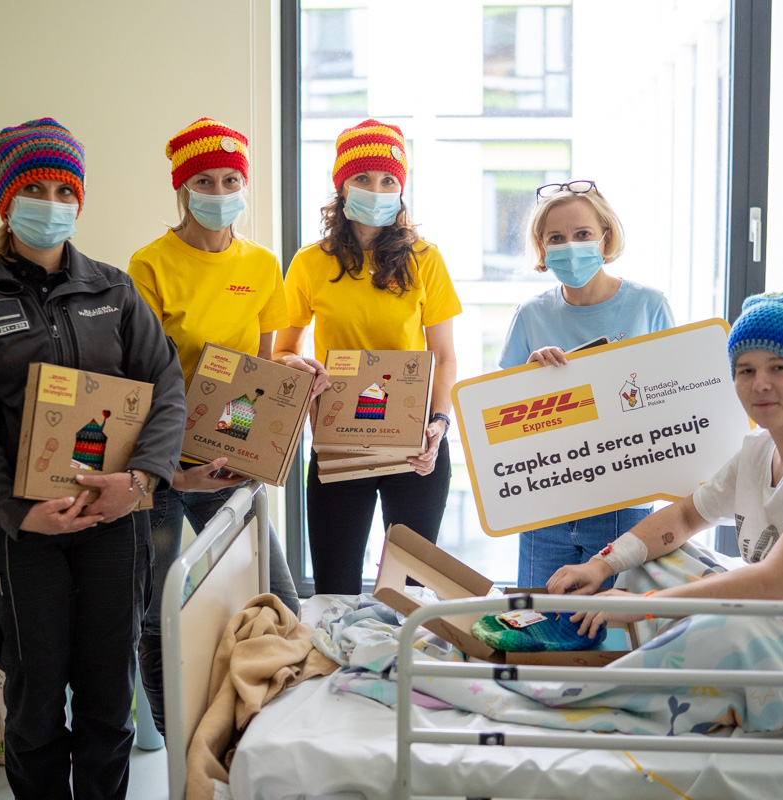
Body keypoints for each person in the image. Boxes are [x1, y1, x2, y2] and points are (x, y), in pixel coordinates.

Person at [0, 118, 187, 798]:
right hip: (22, 532)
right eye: (34, 188)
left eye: (62, 189)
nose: (50, 202)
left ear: (79, 200)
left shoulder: (113, 290)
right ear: (6, 201)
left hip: (113, 520)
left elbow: (166, 387)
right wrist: (20, 510)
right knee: (37, 697)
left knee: (108, 695)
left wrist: (138, 481)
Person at [543, 291, 783, 733]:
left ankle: (588, 698)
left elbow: (775, 581)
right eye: (746, 370)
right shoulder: (759, 449)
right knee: (656, 561)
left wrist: (645, 607)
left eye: (778, 367)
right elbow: (684, 518)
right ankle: (649, 662)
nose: (760, 383)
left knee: (725, 626)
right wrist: (601, 564)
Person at [128, 117, 317, 736]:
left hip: (231, 453)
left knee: (280, 595)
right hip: (160, 461)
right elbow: (143, 374)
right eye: (203, 181)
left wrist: (291, 370)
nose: (218, 191)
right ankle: (175, 741)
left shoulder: (262, 266)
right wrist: (176, 467)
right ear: (182, 189)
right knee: (158, 610)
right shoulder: (150, 264)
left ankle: (279, 732)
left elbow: (259, 370)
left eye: (230, 178)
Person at [274, 119, 462, 595]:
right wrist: (301, 370)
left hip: (416, 443)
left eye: (388, 181)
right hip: (339, 443)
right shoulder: (309, 263)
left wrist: (439, 425)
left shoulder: (425, 259)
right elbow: (282, 351)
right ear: (342, 184)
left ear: (401, 189)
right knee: (335, 589)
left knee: (410, 593)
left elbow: (444, 357)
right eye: (363, 178)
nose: (376, 191)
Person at [498, 180, 675, 589]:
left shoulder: (649, 305)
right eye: (556, 238)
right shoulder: (530, 315)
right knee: (542, 622)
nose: (570, 246)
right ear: (542, 247)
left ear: (605, 237)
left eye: (582, 235)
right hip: (548, 499)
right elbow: (499, 419)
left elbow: (674, 394)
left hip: (623, 498)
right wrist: (527, 379)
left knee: (612, 627)